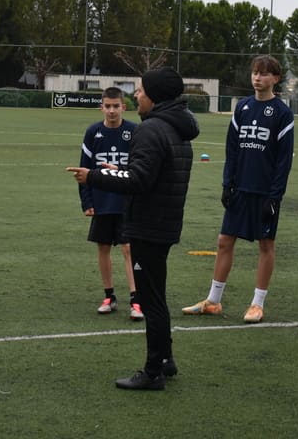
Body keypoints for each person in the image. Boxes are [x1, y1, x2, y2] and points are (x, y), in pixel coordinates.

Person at [67, 67, 199, 391]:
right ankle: (165, 360)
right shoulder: (177, 127)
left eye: (140, 90)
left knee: (151, 301)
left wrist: (94, 176)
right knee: (157, 296)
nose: (136, 95)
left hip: (148, 225)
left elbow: (139, 181)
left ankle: (153, 372)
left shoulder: (151, 129)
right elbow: (152, 172)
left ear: (155, 95)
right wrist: (121, 169)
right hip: (165, 222)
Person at [182, 55, 294, 323]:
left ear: (275, 79)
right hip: (240, 188)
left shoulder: (282, 113)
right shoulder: (242, 107)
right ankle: (213, 301)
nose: (257, 78)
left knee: (265, 244)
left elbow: (284, 160)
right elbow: (232, 149)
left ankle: (257, 304)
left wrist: (275, 196)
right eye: (255, 72)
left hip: (265, 192)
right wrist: (227, 184)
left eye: (264, 73)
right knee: (224, 241)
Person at [77, 87, 142, 320]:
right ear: (101, 107)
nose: (112, 110)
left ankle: (136, 300)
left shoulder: (134, 131)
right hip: (102, 201)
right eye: (108, 106)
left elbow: (140, 168)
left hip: (127, 201)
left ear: (124, 107)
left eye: (116, 106)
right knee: (103, 247)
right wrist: (87, 201)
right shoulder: (93, 132)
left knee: (128, 248)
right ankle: (109, 296)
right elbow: (84, 170)